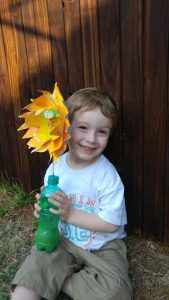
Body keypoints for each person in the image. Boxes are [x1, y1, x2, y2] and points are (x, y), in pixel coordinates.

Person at [11, 87, 132, 300]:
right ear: (65, 128)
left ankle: (62, 281)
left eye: (101, 131)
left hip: (102, 246)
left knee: (115, 292)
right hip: (62, 240)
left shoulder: (106, 175)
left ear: (109, 134)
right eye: (83, 128)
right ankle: (47, 278)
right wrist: (43, 209)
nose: (91, 139)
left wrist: (70, 214)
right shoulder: (56, 167)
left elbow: (111, 224)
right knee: (28, 281)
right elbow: (50, 204)